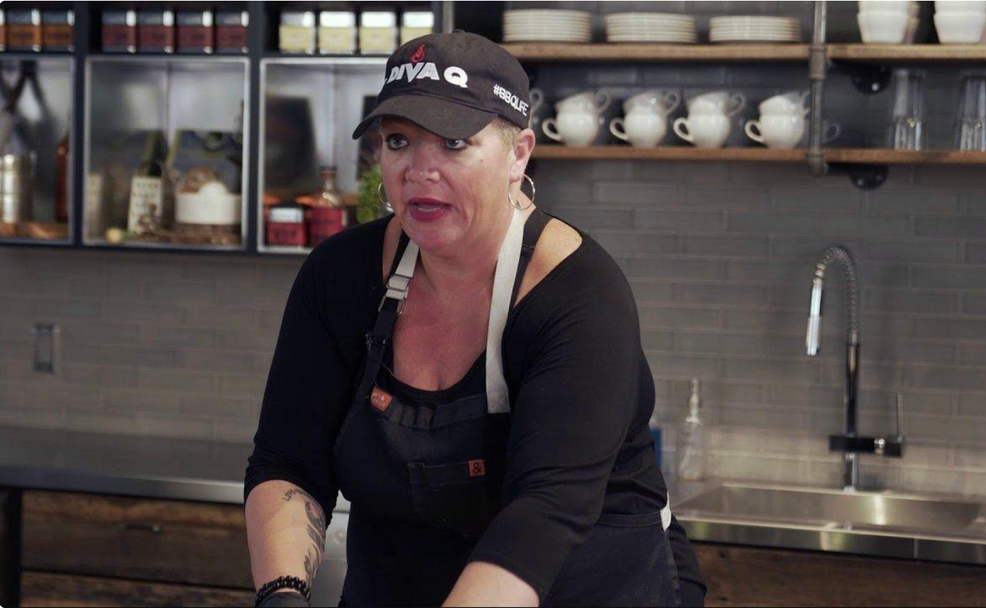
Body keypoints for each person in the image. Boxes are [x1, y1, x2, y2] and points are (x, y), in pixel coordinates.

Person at [244, 31, 706, 607]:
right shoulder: (340, 274)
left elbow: (543, 513)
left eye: (455, 142)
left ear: (518, 155)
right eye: (398, 140)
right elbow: (288, 461)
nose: (419, 169)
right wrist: (283, 595)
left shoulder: (579, 296)